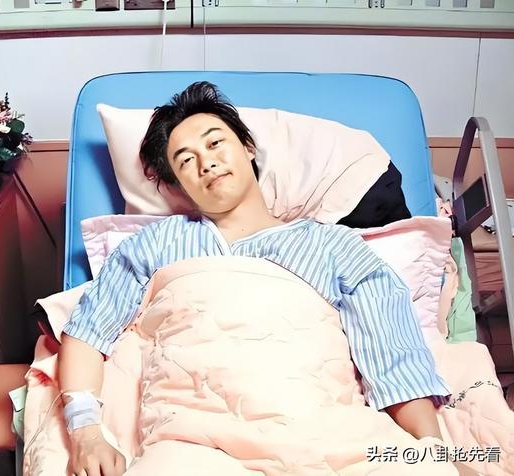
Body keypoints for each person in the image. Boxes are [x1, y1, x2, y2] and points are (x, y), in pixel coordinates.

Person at [58, 82, 472, 476]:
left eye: (215, 143)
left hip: (327, 435)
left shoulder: (333, 245)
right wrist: (85, 433)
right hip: (193, 441)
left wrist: (433, 452)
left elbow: (393, 357)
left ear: (248, 147)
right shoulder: (155, 243)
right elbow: (89, 330)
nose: (206, 163)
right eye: (185, 160)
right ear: (178, 185)